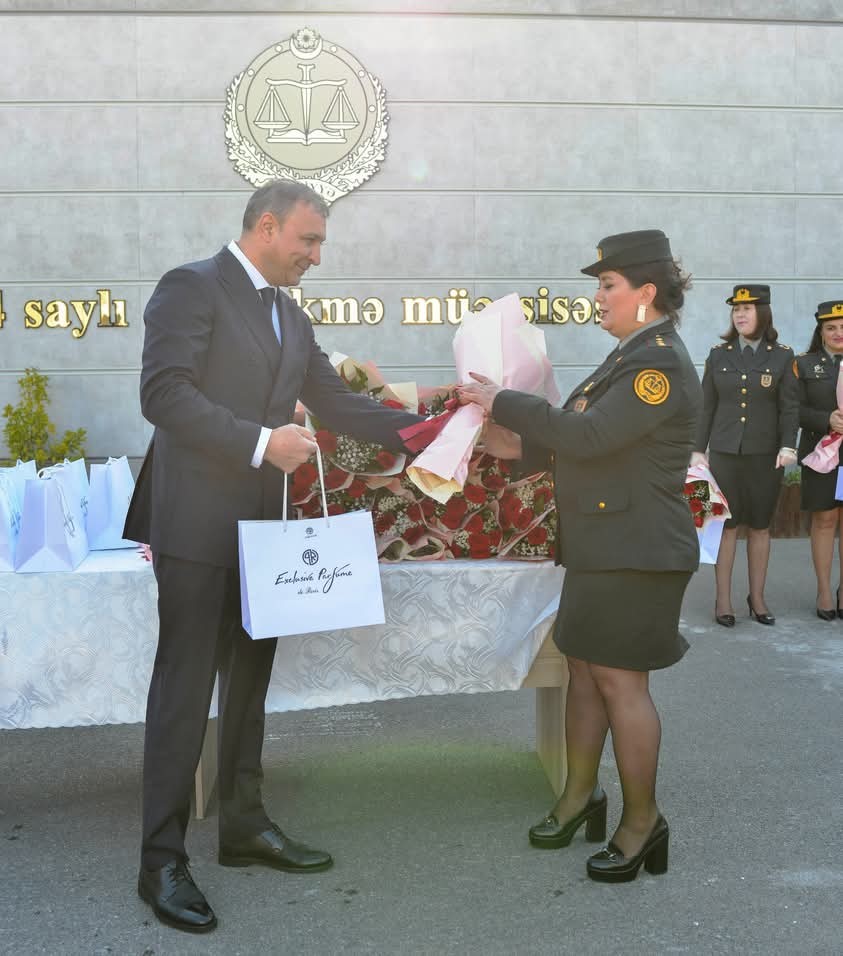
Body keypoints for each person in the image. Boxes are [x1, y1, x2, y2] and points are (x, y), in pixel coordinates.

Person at [124, 180, 424, 933]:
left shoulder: (290, 315)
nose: (316, 257)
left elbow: (338, 402)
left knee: (251, 680)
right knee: (185, 688)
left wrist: (439, 427)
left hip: (265, 528)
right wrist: (263, 444)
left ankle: (244, 827)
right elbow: (162, 394)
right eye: (308, 241)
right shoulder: (190, 287)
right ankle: (160, 860)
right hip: (194, 524)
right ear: (266, 227)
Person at [458, 230, 701, 884]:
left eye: (607, 285)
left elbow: (592, 433)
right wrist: (508, 443)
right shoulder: (622, 359)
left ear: (645, 293)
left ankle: (642, 821)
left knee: (621, 682)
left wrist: (503, 401)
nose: (597, 297)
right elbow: (587, 443)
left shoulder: (657, 366)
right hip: (603, 547)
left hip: (639, 551)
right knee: (585, 674)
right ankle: (577, 797)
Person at [692, 285, 798, 628]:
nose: (740, 314)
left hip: (766, 456)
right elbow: (706, 406)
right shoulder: (718, 354)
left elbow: (789, 408)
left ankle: (758, 597)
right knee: (726, 527)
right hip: (725, 453)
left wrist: (788, 445)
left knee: (760, 527)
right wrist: (697, 449)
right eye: (736, 309)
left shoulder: (782, 356)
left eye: (748, 308)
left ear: (763, 313)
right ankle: (723, 600)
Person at [795, 299, 843, 619]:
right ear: (821, 331)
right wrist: (827, 418)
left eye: (842, 327)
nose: (838, 332)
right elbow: (794, 411)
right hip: (821, 452)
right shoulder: (805, 364)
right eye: (831, 328)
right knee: (824, 519)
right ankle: (824, 590)